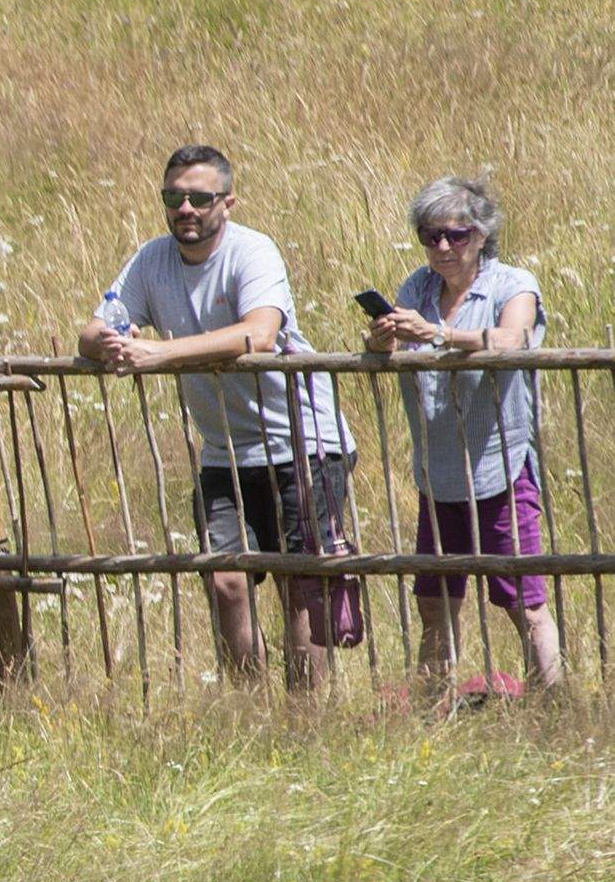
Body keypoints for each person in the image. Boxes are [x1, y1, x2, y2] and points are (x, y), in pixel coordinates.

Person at [78, 144, 364, 691]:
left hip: (301, 440)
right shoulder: (150, 260)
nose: (185, 209)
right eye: (173, 198)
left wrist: (161, 352)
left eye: (199, 199)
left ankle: (305, 719)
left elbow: (258, 331)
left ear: (227, 202)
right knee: (225, 579)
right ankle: (250, 708)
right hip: (224, 450)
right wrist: (109, 340)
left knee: (298, 587)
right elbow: (93, 329)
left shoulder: (253, 253)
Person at [366, 174, 564, 693]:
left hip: (500, 463)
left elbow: (512, 338)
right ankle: (434, 707)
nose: (444, 247)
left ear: (481, 235)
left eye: (456, 234)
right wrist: (381, 340)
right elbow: (393, 357)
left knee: (524, 599)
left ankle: (553, 702)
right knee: (434, 599)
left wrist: (436, 333)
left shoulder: (512, 284)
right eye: (431, 236)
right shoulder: (417, 288)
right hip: (439, 472)